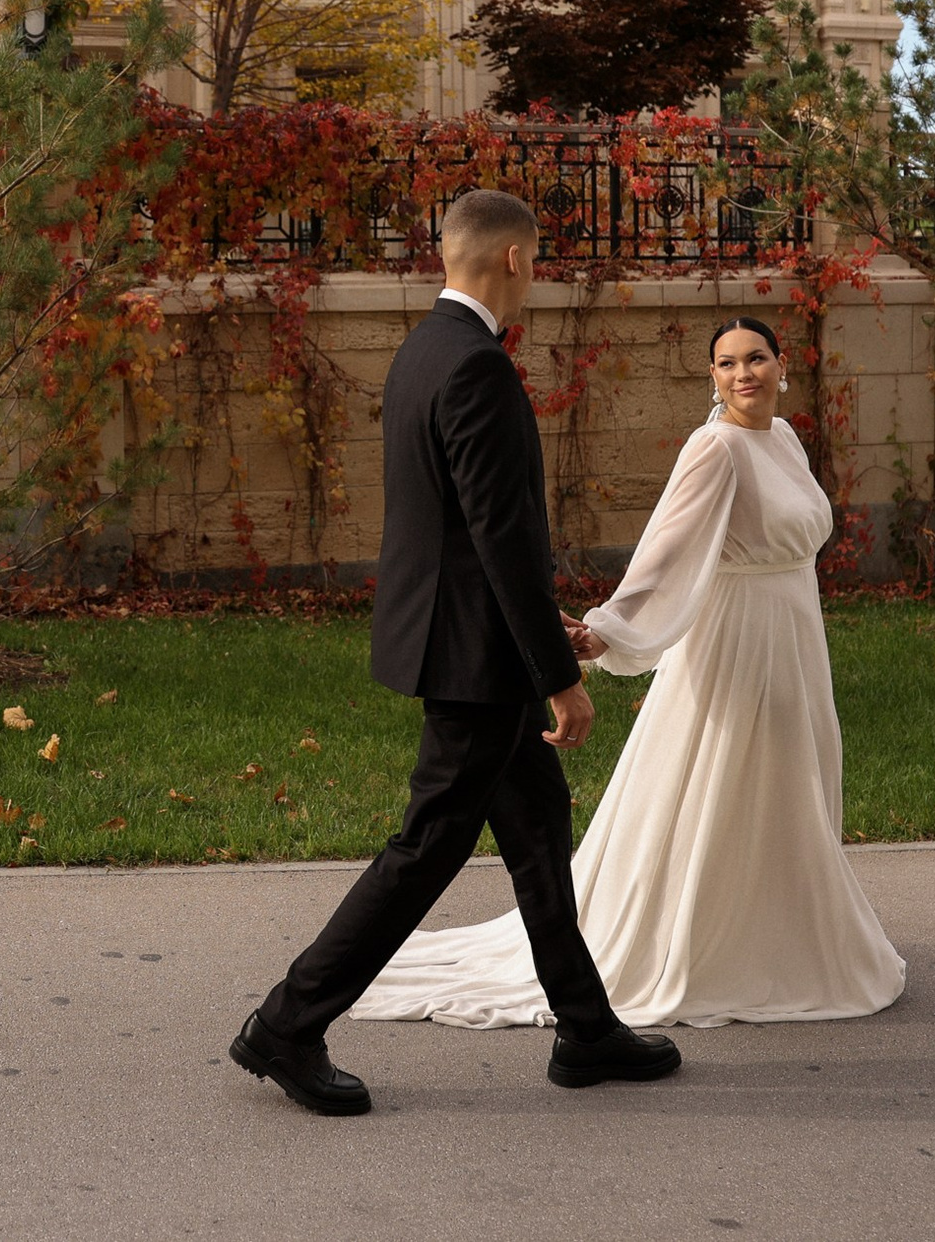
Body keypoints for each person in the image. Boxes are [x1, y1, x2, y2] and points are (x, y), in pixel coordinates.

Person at [229, 189, 681, 1116]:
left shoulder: (423, 349)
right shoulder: (477, 365)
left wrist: (539, 630)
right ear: (513, 259)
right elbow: (499, 539)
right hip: (475, 661)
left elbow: (466, 535)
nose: (536, 273)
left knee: (538, 834)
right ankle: (287, 1023)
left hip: (468, 641)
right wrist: (560, 679)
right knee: (427, 847)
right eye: (536, 258)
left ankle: (586, 1029)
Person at [349, 315, 906, 1031]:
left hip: (794, 635)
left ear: (781, 365)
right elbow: (665, 553)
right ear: (712, 378)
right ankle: (706, 942)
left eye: (756, 358)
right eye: (727, 363)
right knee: (734, 780)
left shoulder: (786, 440)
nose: (743, 374)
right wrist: (607, 630)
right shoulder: (713, 448)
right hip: (737, 644)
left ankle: (784, 934)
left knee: (789, 778)